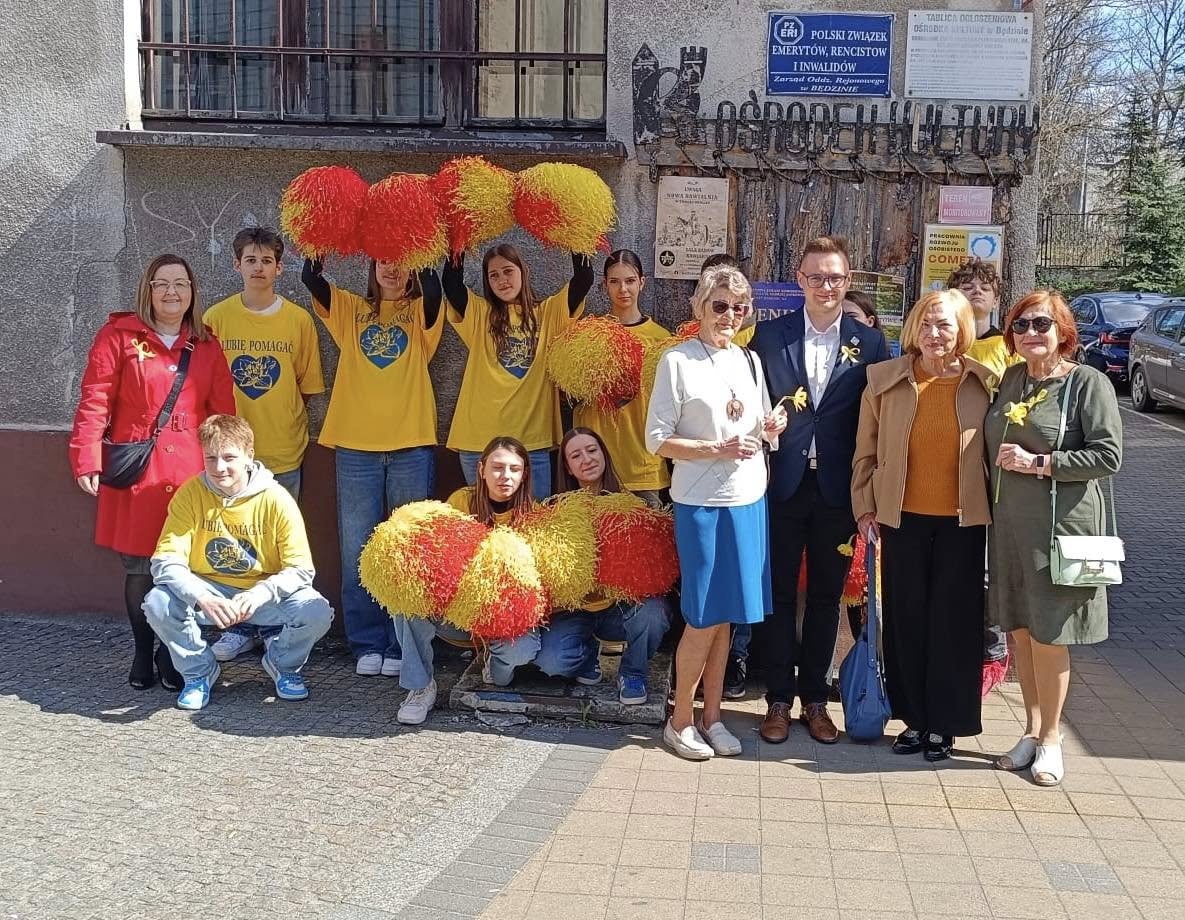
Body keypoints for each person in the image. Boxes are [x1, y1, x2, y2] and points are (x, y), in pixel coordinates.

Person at [70, 254, 236, 692]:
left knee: (184, 568)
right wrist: (86, 457)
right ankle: (144, 650)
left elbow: (222, 412)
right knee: (141, 567)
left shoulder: (206, 343)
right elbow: (95, 400)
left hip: (190, 474)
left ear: (192, 292)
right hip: (139, 472)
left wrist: (228, 466)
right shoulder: (119, 336)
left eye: (181, 283)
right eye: (162, 283)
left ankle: (170, 653)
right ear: (148, 289)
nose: (171, 292)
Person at [749, 236, 889, 745]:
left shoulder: (870, 343)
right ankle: (778, 699)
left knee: (827, 597)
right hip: (783, 484)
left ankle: (815, 699)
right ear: (800, 280)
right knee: (780, 594)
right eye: (816, 277)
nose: (825, 286)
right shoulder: (769, 336)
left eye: (834, 277)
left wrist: (874, 492)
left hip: (838, 489)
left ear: (847, 281)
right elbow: (747, 402)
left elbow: (878, 421)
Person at [646, 265, 787, 760]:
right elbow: (657, 439)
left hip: (747, 497)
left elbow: (761, 428)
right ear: (699, 307)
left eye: (739, 307)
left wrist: (772, 426)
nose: (730, 315)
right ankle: (679, 720)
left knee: (726, 616)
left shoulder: (749, 360)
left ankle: (712, 716)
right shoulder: (677, 360)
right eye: (720, 305)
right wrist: (715, 449)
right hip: (701, 502)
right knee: (703, 615)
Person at [851, 289, 993, 761]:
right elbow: (865, 451)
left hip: (962, 522)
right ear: (914, 328)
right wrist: (865, 507)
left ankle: (945, 724)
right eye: (927, 324)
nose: (934, 334)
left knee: (953, 623)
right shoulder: (885, 380)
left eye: (945, 325)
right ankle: (913, 719)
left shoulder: (983, 383)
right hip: (901, 517)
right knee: (906, 619)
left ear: (961, 330)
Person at [987, 290, 1122, 786]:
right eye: (1020, 325)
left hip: (1059, 528)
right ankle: (1029, 729)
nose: (1030, 333)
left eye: (1041, 324)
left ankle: (1051, 740)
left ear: (1062, 331)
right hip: (1009, 528)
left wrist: (1040, 463)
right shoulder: (1012, 379)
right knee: (1021, 632)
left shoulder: (1087, 383)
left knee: (1049, 635)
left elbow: (1108, 455)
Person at [302, 257, 443, 679]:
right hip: (355, 448)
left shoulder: (420, 310)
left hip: (411, 444)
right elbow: (311, 278)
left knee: (408, 550)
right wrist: (322, 240)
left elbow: (436, 290)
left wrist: (421, 245)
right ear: (372, 266)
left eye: (401, 261)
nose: (392, 269)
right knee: (357, 549)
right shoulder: (350, 309)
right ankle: (367, 642)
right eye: (384, 260)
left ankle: (403, 643)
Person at [143, 415, 334, 710]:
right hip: (210, 592)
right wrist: (201, 595)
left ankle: (283, 664)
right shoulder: (190, 494)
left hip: (263, 594)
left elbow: (301, 569)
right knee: (157, 602)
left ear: (249, 456)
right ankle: (199, 673)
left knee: (317, 611)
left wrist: (260, 593)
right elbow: (165, 561)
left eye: (229, 457)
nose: (219, 467)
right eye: (210, 458)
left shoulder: (276, 499)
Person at [205, 227, 325, 664]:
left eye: (267, 261)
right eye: (251, 260)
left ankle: (275, 626)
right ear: (236, 265)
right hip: (230, 456)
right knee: (233, 541)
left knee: (277, 541)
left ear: (280, 267)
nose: (258, 268)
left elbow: (306, 386)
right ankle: (239, 627)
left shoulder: (298, 320)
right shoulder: (216, 319)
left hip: (282, 448)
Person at [392, 437, 544, 724]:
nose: (505, 476)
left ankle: (492, 660)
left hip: (503, 617)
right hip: (459, 612)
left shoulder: (533, 514)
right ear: (481, 469)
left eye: (514, 469)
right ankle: (420, 687)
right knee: (406, 599)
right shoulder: (461, 502)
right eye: (497, 467)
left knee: (520, 654)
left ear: (524, 474)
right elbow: (441, 559)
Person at [443, 244, 594, 499]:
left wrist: (575, 234)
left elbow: (584, 279)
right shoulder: (480, 314)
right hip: (479, 441)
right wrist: (460, 238)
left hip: (533, 442)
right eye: (494, 275)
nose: (502, 280)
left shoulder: (548, 313)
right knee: (486, 521)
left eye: (508, 271)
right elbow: (451, 283)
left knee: (535, 520)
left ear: (523, 271)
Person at [541, 427, 671, 705]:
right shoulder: (554, 511)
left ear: (604, 454)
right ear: (568, 467)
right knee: (553, 663)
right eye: (576, 455)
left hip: (618, 609)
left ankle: (633, 672)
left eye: (592, 450)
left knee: (654, 613)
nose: (587, 459)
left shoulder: (631, 505)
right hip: (574, 610)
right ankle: (587, 655)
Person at [951, 258, 1025, 697]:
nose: (976, 290)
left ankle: (992, 652)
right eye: (966, 284)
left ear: (996, 297)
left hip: (995, 475)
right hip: (950, 475)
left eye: (984, 285)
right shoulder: (944, 343)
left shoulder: (1007, 348)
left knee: (986, 569)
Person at [572, 251, 671, 507]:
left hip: (643, 465)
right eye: (614, 282)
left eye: (630, 281)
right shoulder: (588, 335)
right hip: (595, 466)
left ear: (642, 282)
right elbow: (571, 391)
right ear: (605, 284)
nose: (623, 289)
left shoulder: (661, 339)